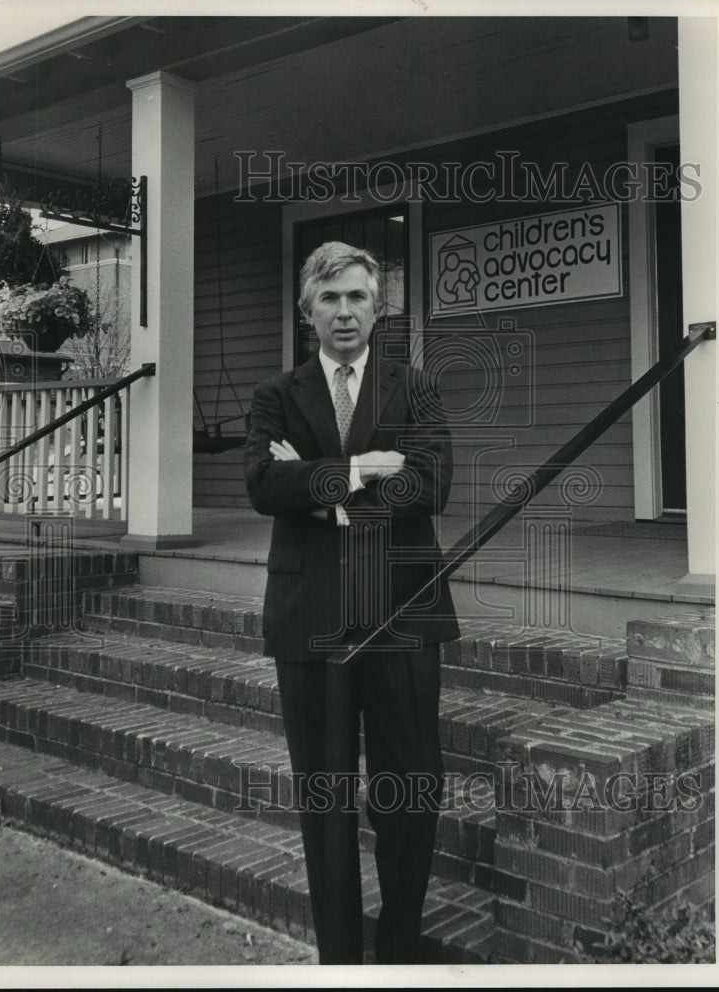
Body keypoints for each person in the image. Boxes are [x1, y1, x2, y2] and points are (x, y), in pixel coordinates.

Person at [244, 241, 458, 964]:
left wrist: (317, 485)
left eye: (358, 297)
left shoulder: (416, 388)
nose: (345, 312)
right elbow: (261, 486)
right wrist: (364, 469)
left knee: (410, 789)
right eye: (329, 299)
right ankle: (339, 961)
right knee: (325, 800)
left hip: (402, 612)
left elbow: (430, 485)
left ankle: (398, 951)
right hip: (310, 621)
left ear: (378, 306)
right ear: (308, 312)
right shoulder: (276, 396)